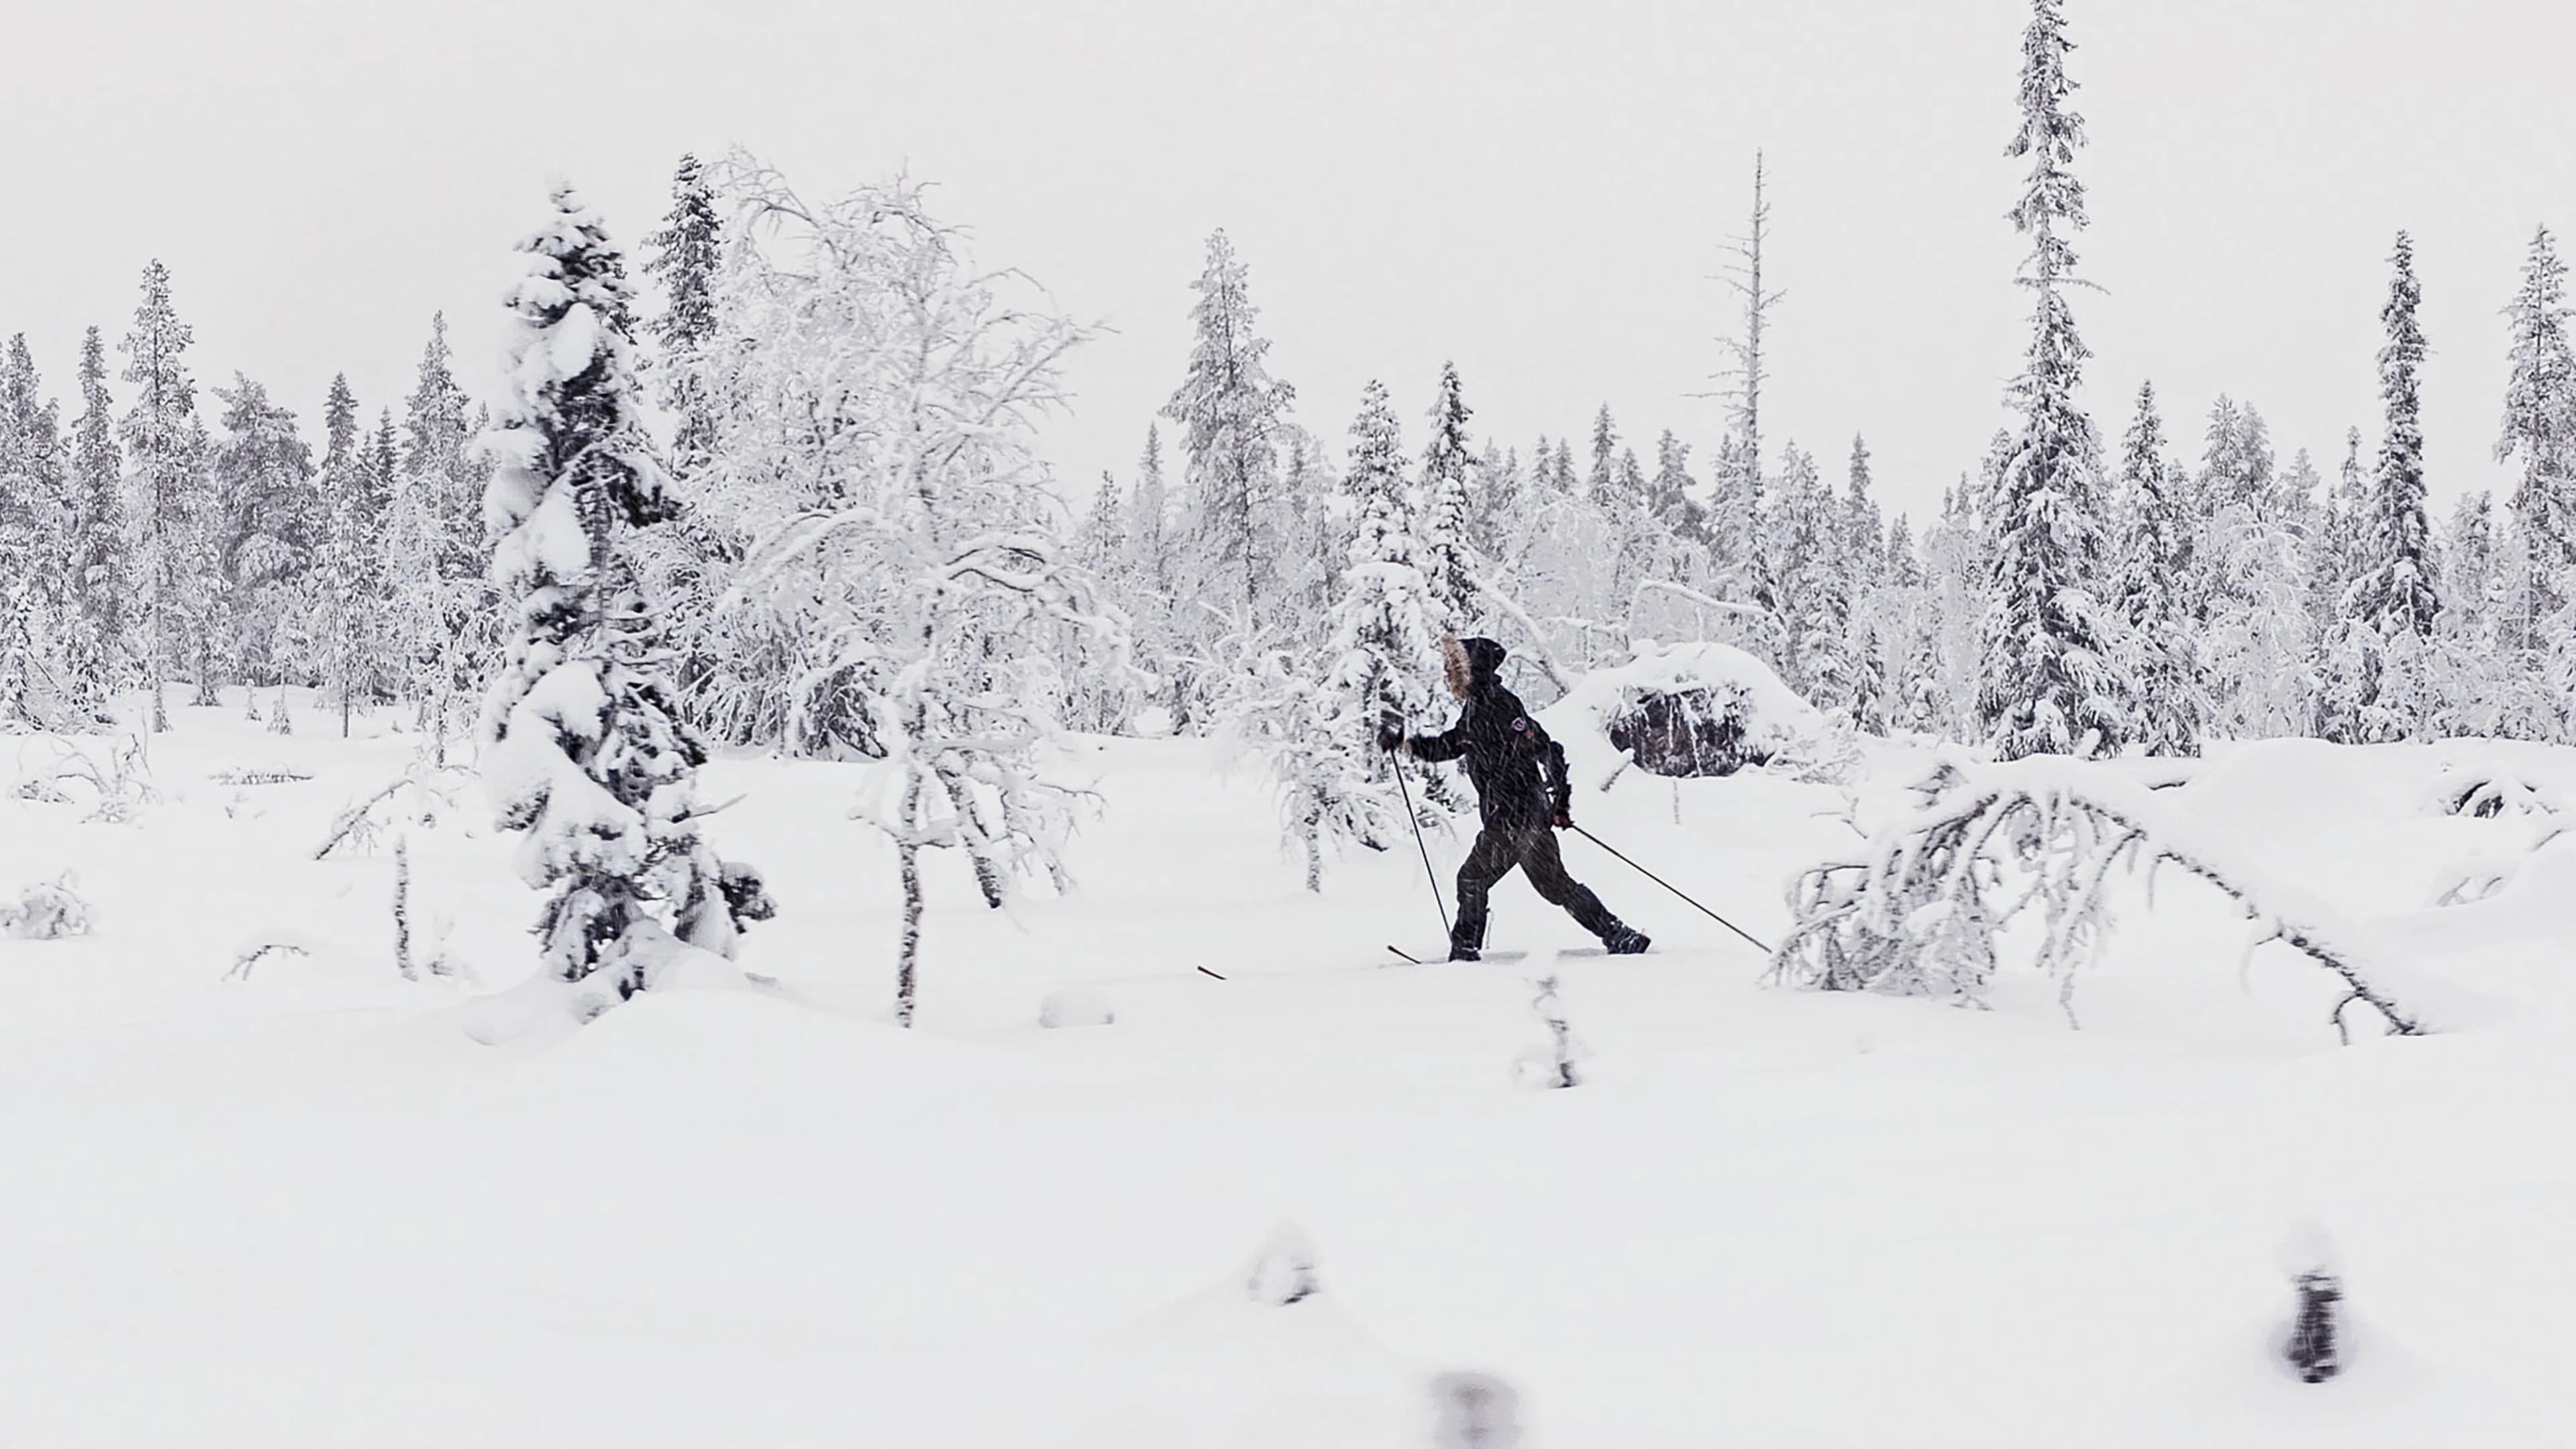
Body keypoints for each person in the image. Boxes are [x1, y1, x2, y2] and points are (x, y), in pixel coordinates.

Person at [1379, 635, 1649, 962]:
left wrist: (1559, 802)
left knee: (1472, 879)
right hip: (1526, 816)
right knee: (1556, 887)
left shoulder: (1497, 707)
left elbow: (1546, 749)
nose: (1447, 674)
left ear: (1472, 670)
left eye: (1453, 667)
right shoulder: (1481, 707)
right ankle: (1620, 935)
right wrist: (1405, 745)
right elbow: (1452, 746)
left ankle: (1464, 953)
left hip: (1511, 819)